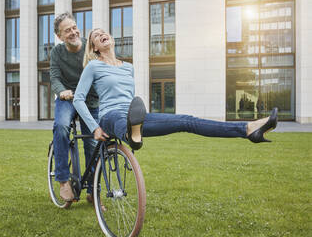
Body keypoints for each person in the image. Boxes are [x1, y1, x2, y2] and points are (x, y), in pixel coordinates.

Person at [73, 28, 278, 151]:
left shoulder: (128, 68)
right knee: (119, 118)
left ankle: (248, 129)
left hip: (134, 115)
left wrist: (135, 116)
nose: (101, 35)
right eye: (96, 36)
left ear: (111, 39)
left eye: (103, 32)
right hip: (110, 116)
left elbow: (128, 97)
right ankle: (130, 134)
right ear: (95, 48)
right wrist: (94, 127)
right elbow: (78, 99)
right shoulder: (94, 66)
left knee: (187, 121)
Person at [50, 12, 99, 208]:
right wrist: (61, 91)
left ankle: (93, 192)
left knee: (93, 144)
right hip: (68, 98)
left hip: (90, 100)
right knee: (61, 127)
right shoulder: (57, 53)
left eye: (74, 27)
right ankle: (63, 180)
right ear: (60, 36)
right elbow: (54, 77)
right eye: (67, 30)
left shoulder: (90, 47)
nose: (73, 32)